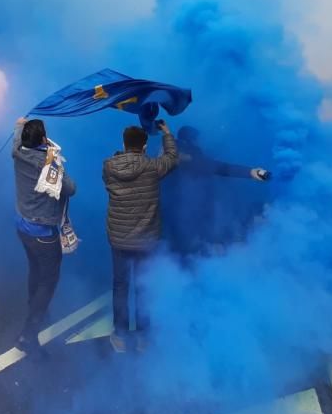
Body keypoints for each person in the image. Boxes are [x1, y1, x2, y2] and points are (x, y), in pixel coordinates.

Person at [103, 121, 179, 353]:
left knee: (120, 286)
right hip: (146, 240)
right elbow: (172, 158)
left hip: (119, 238)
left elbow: (110, 179)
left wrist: (120, 156)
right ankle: (145, 337)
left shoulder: (109, 166)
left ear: (124, 144)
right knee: (143, 287)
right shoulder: (152, 167)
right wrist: (166, 133)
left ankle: (121, 336)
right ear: (144, 146)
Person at [11, 117, 75, 356]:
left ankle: (35, 307)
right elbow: (71, 188)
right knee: (48, 281)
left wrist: (19, 125)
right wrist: (55, 162)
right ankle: (28, 335)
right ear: (41, 138)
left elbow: (16, 139)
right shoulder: (45, 164)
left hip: (22, 225)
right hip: (43, 233)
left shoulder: (18, 152)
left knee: (35, 270)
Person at [163, 125, 269, 258]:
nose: (199, 141)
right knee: (193, 251)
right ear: (191, 140)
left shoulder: (166, 159)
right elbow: (223, 168)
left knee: (178, 253)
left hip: (172, 213)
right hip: (193, 214)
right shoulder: (194, 158)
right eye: (196, 139)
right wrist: (250, 172)